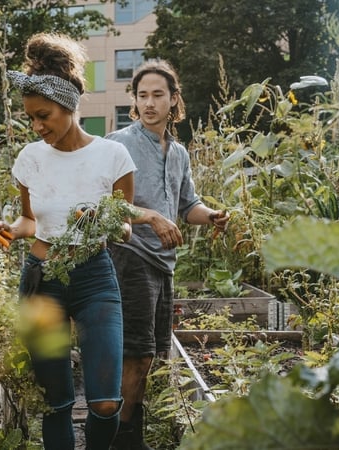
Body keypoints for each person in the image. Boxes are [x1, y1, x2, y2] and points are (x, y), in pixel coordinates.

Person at [0, 33, 136, 449]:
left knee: (107, 401)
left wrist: (102, 224)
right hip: (43, 282)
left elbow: (124, 225)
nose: (38, 127)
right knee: (55, 401)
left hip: (95, 278)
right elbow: (29, 220)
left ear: (69, 107)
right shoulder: (30, 158)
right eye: (31, 119)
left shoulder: (112, 157)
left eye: (44, 116)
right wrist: (10, 228)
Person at [105, 59, 229, 450]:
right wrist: (151, 218)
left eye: (158, 95)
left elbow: (187, 204)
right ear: (135, 101)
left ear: (174, 99)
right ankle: (121, 440)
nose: (149, 103)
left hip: (162, 265)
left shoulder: (178, 152)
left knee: (152, 355)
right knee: (135, 355)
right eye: (142, 95)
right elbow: (105, 204)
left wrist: (211, 216)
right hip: (129, 256)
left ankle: (130, 437)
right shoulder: (118, 143)